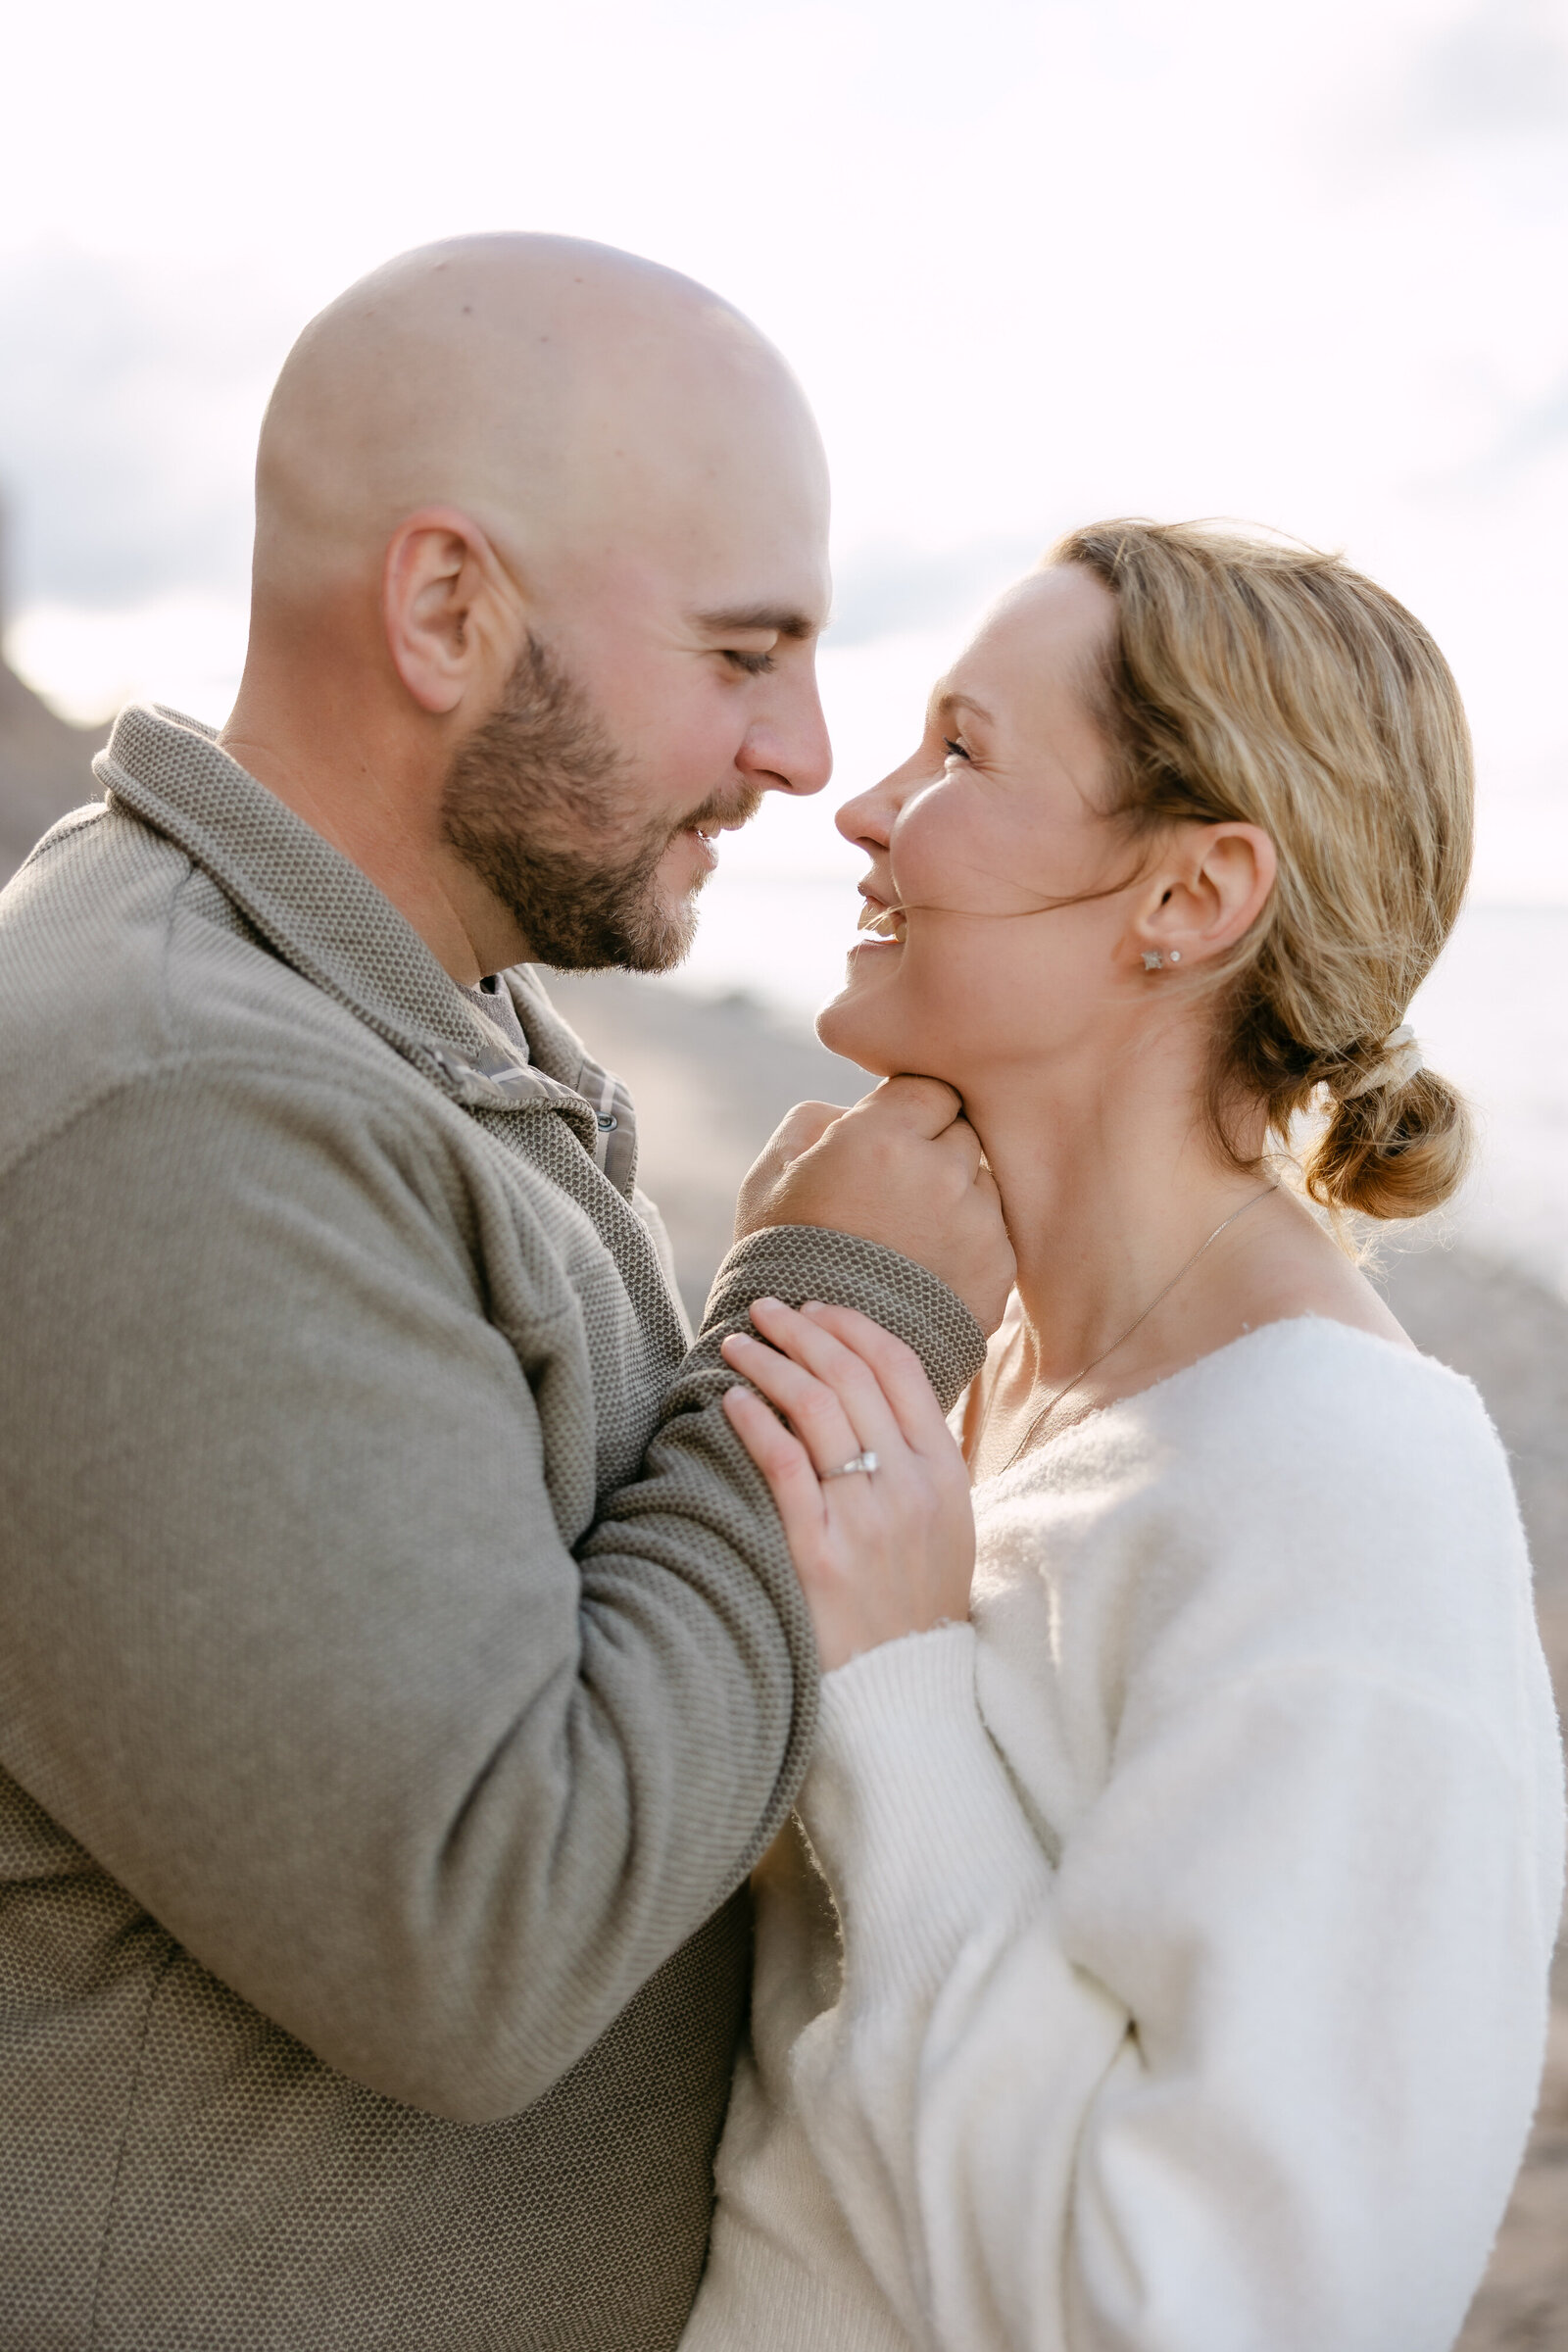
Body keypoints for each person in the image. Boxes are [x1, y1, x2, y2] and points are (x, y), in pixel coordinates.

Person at [0, 235, 1014, 2349]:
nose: (805, 750)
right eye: (745, 652)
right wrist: (832, 1321)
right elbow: (484, 1933)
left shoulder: (380, 1021)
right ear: (448, 609)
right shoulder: (183, 1098)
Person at [682, 522, 1566, 2352]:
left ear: (1190, 896)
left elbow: (1222, 2314)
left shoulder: (1344, 1488)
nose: (863, 808)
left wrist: (900, 1683)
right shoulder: (969, 1382)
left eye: (960, 752)